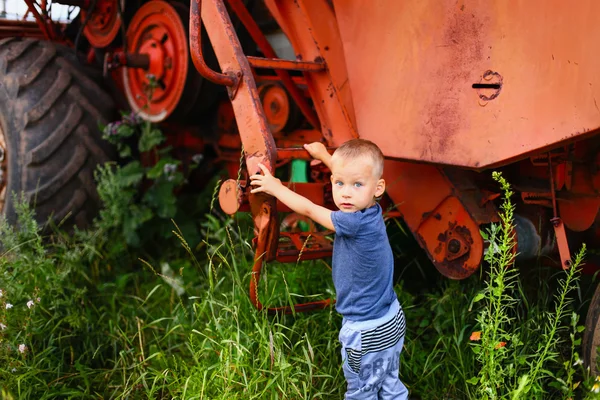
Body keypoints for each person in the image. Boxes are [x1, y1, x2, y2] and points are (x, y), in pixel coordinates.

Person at [250, 138, 409, 399]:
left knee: (362, 391)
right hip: (391, 319)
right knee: (389, 382)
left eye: (357, 185)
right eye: (339, 183)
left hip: (364, 331)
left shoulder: (352, 222)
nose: (345, 193)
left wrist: (275, 187)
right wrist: (325, 155)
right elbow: (352, 173)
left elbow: (310, 210)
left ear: (378, 188)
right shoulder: (371, 210)